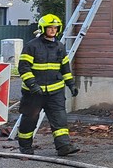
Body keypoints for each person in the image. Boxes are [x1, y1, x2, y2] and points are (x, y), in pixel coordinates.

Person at [16, 14, 80, 156]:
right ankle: (25, 147)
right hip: (33, 93)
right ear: (43, 28)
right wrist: (33, 85)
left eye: (55, 28)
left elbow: (65, 68)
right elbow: (23, 68)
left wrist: (71, 84)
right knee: (29, 119)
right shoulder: (31, 46)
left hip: (55, 92)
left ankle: (64, 147)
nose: (52, 30)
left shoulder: (60, 47)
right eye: (49, 27)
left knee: (60, 120)